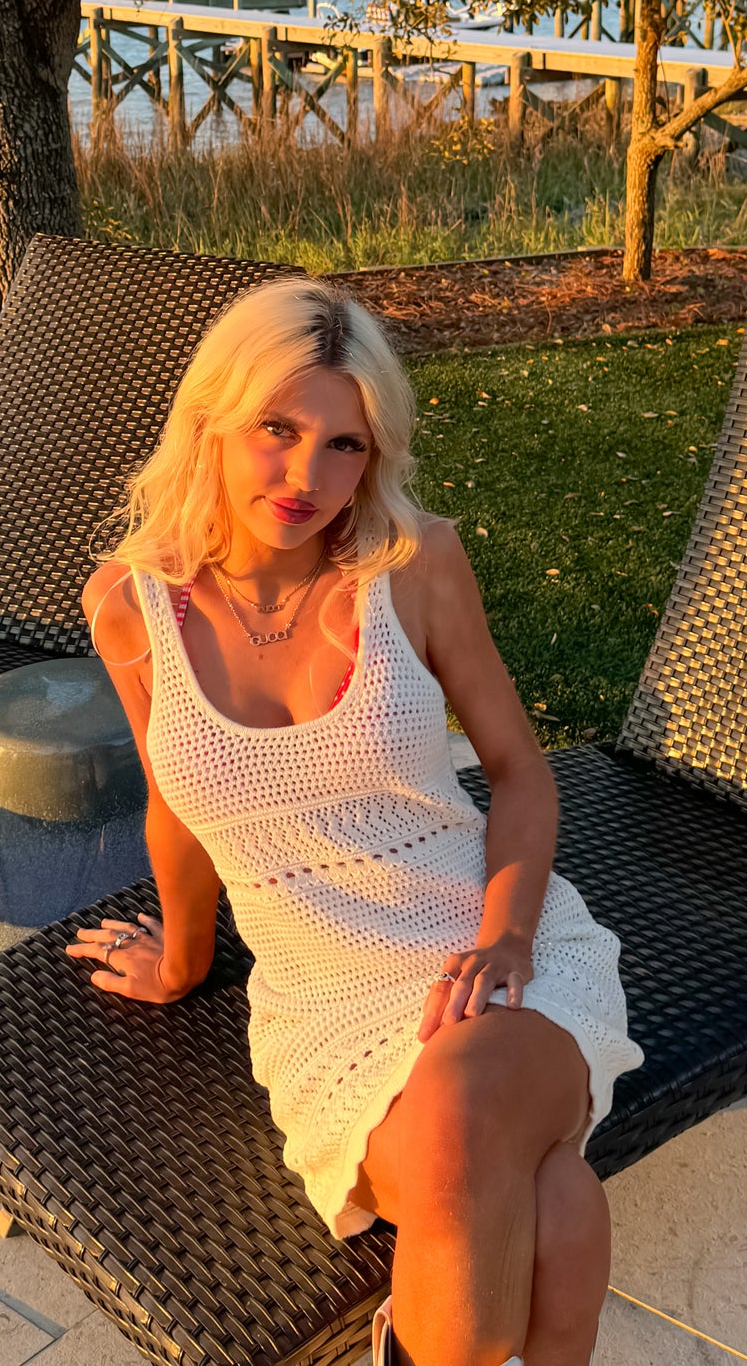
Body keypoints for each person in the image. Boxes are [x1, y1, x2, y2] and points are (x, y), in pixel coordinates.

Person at [70, 279, 643, 1366]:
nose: (307, 477)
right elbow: (176, 809)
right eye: (276, 432)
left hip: (493, 949)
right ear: (210, 424)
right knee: (546, 1198)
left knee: (466, 1112)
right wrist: (185, 959)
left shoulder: (411, 566)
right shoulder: (129, 603)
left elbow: (521, 775)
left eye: (344, 444)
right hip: (321, 995)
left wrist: (507, 935)